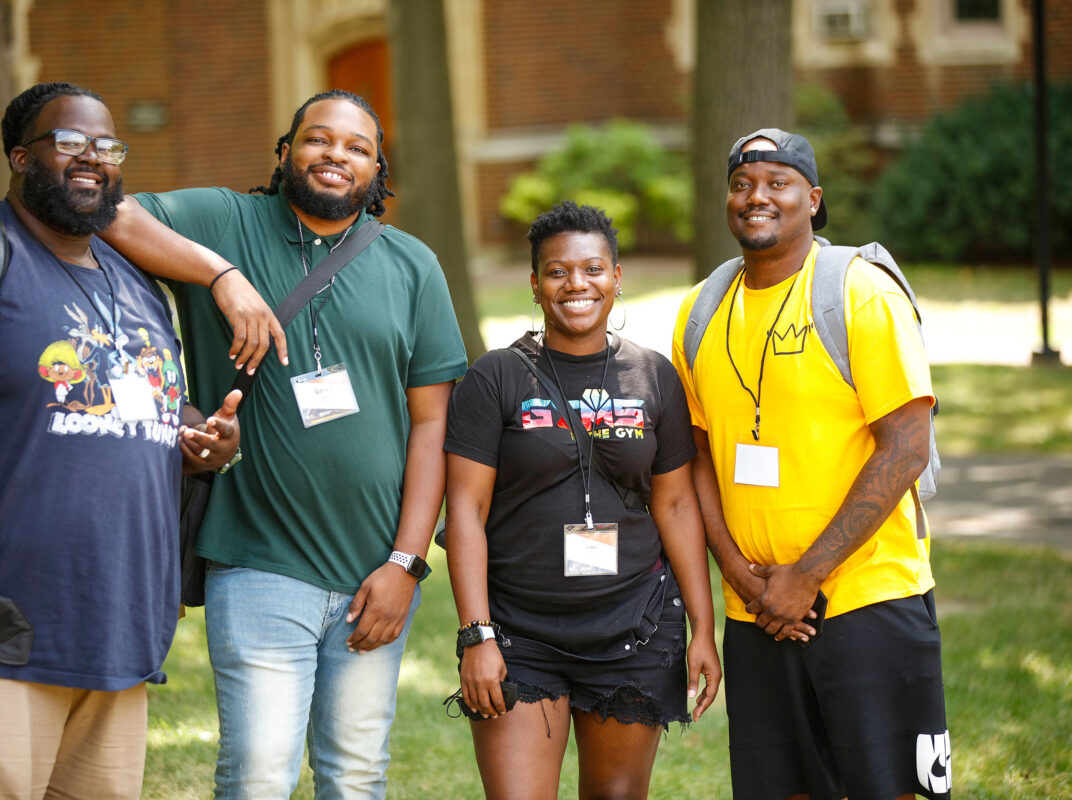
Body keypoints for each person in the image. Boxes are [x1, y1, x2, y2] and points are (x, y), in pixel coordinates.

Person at [0, 82, 244, 799]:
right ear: (19, 156)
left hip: (112, 630)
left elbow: (139, 407)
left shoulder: (137, 285)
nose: (91, 159)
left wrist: (200, 436)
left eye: (107, 146)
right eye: (68, 141)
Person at [97, 89, 467, 799]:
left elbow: (432, 425)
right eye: (318, 139)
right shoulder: (224, 220)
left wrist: (406, 563)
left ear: (377, 168)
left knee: (357, 776)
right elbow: (108, 210)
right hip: (260, 558)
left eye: (357, 147)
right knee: (261, 774)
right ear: (286, 151)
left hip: (375, 572)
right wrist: (220, 274)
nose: (336, 156)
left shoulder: (412, 265)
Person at [671, 129, 951, 800]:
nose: (756, 197)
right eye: (742, 185)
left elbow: (907, 445)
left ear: (814, 199)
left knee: (889, 789)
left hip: (868, 602)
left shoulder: (860, 292)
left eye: (778, 182)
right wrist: (741, 576)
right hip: (757, 612)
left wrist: (806, 575)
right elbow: (697, 456)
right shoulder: (699, 312)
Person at [444, 201, 721, 800]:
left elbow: (675, 505)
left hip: (635, 627)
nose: (577, 285)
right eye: (557, 271)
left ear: (617, 278)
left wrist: (704, 626)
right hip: (519, 630)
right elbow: (464, 511)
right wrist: (476, 634)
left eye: (593, 269)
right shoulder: (494, 378)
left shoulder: (653, 376)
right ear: (536, 284)